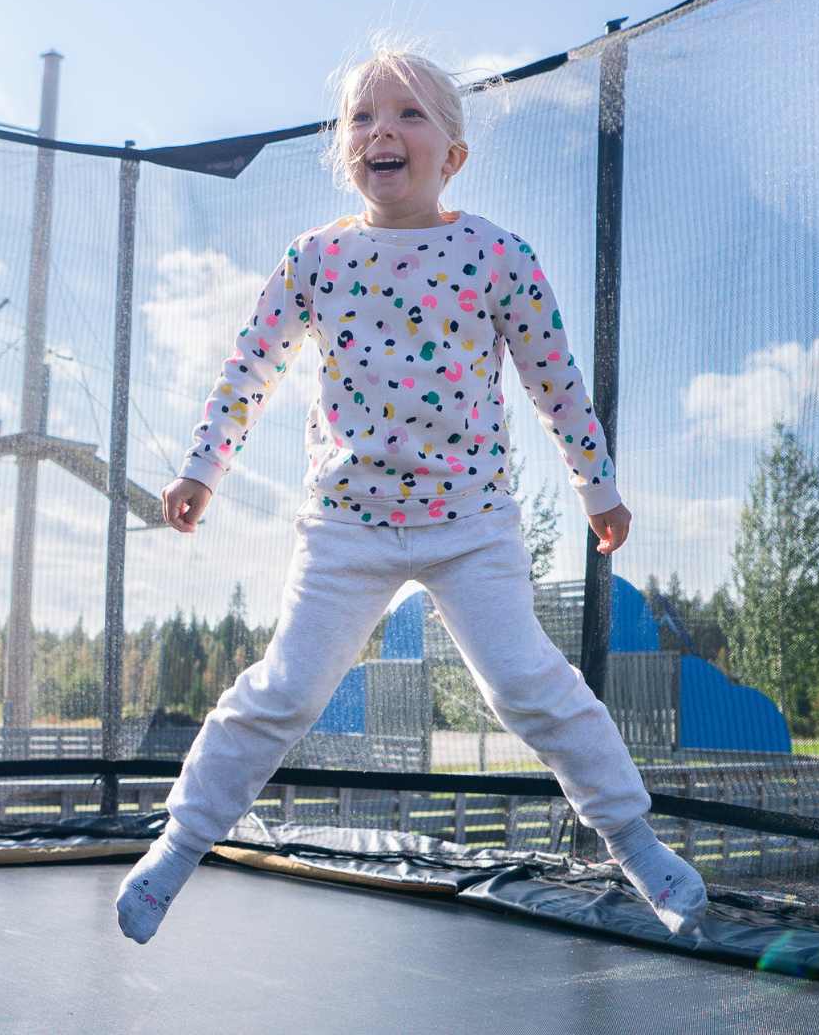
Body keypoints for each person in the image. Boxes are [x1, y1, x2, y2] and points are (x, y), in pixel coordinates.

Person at [115, 46, 707, 945]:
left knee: (527, 684)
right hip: (347, 525)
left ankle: (632, 840)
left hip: (471, 524)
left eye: (409, 116)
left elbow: (556, 380)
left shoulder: (497, 253)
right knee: (283, 692)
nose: (381, 131)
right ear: (344, 149)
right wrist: (205, 465)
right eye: (361, 117)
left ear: (452, 156)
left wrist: (598, 485)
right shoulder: (316, 257)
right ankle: (179, 844)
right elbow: (250, 370)